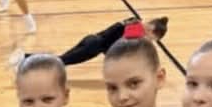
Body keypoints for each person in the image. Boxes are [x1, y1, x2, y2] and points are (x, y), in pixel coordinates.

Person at [9, 16, 169, 70]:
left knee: (60, 60)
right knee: (60, 61)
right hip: (94, 47)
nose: (150, 40)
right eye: (153, 38)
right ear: (152, 29)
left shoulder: (134, 21)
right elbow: (117, 46)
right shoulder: (137, 31)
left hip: (91, 39)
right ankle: (24, 59)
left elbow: (114, 35)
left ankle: (25, 58)